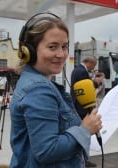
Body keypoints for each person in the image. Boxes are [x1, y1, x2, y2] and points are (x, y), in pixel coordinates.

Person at [10, 13, 102, 168]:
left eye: (64, 46)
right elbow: (47, 150)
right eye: (52, 47)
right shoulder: (39, 90)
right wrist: (85, 130)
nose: (61, 54)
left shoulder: (33, 81)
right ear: (29, 51)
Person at [70, 54, 98, 167]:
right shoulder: (82, 72)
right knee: (85, 132)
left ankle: (82, 159)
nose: (93, 67)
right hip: (82, 106)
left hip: (76, 105)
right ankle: (83, 160)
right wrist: (95, 83)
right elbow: (86, 89)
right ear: (89, 63)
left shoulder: (76, 69)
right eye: (94, 65)